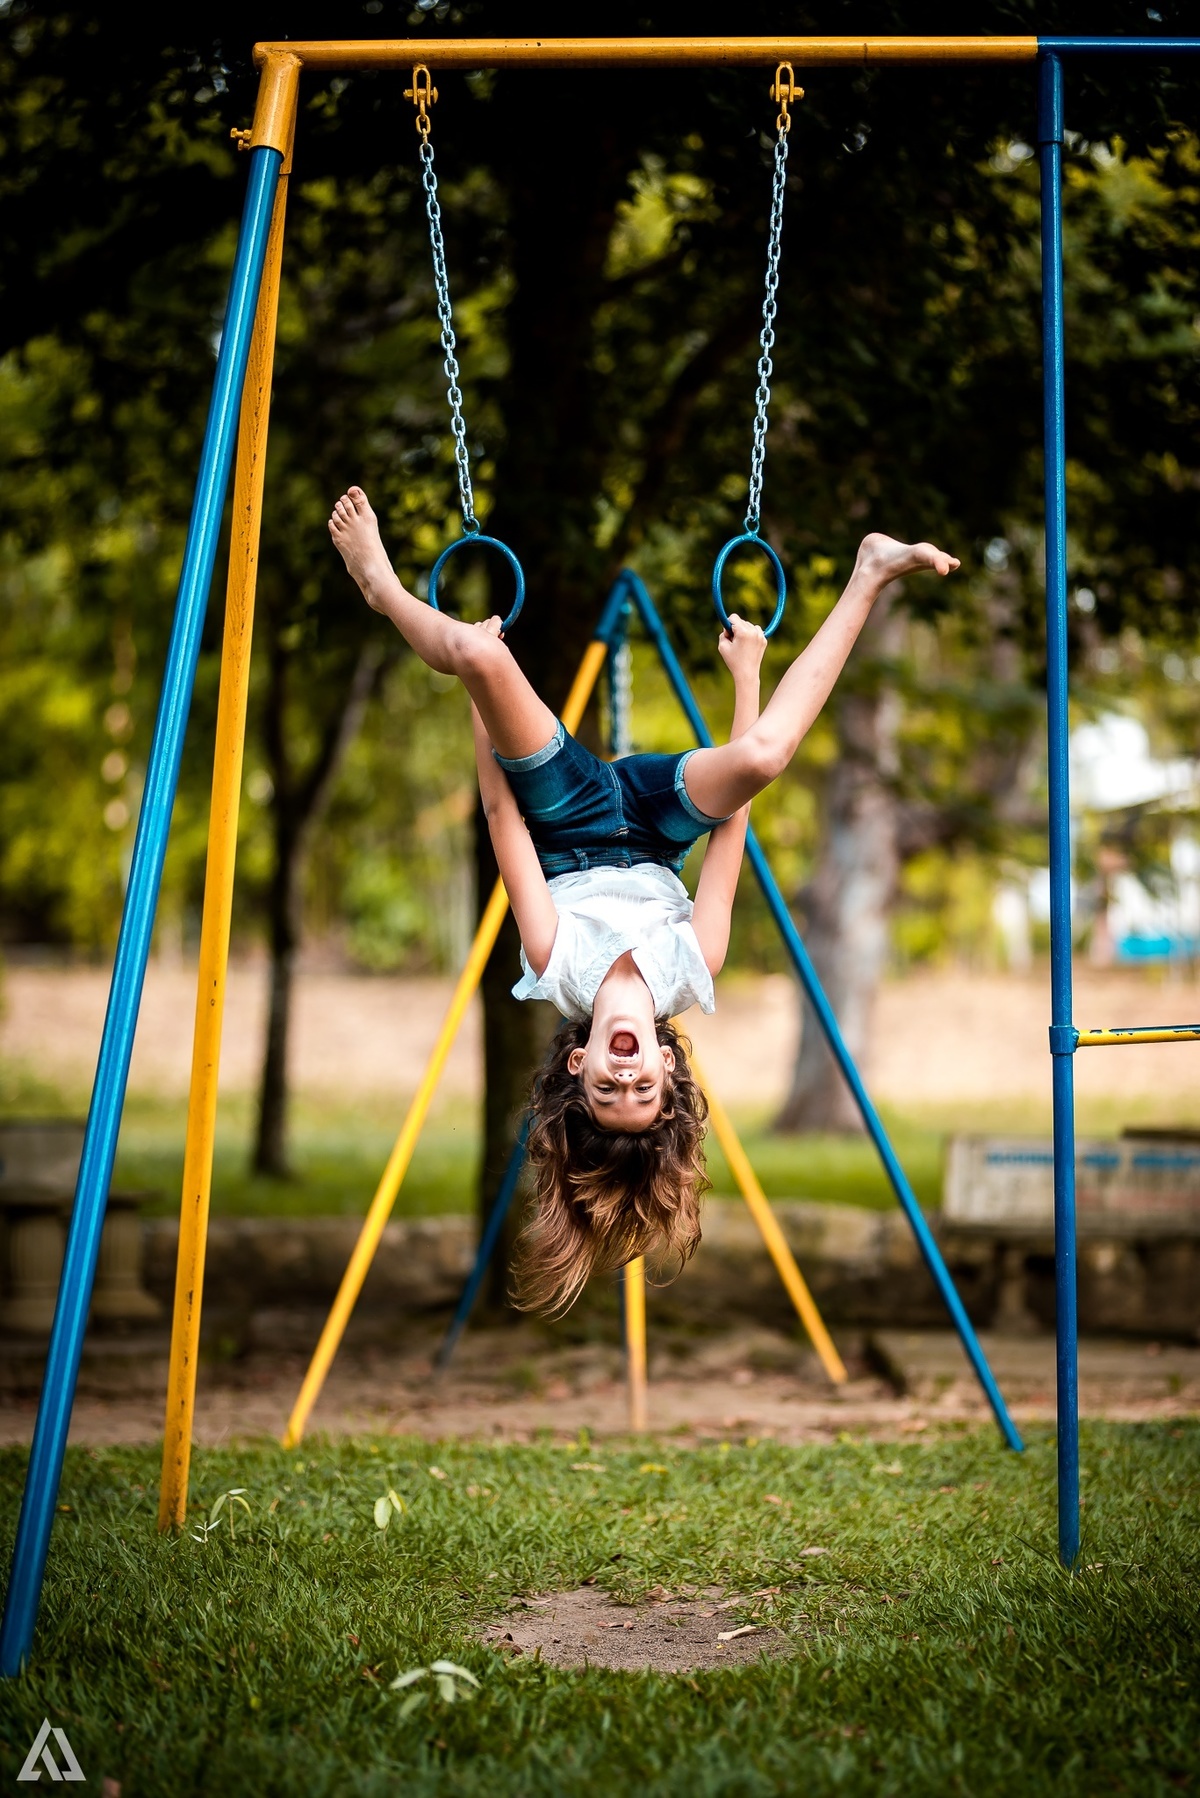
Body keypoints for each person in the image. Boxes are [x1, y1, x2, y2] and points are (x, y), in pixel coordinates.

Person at [329, 486, 958, 1313]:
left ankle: (382, 588)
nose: (625, 1080)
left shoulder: (556, 969)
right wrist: (748, 676)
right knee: (765, 757)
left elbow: (500, 822)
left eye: (605, 1091)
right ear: (667, 1069)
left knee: (483, 659)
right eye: (642, 1092)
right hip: (661, 823)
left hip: (569, 814)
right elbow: (733, 821)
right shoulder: (693, 969)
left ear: (577, 1066)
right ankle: (870, 574)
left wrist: (482, 697)